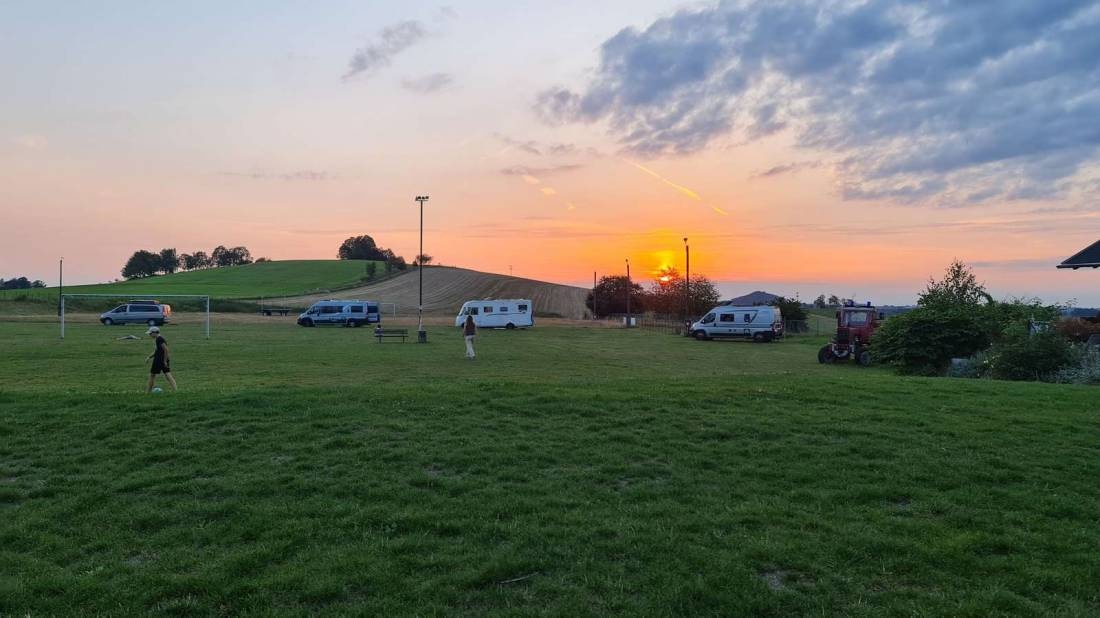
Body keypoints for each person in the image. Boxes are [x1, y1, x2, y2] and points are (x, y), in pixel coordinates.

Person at [145, 326, 178, 392]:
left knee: (152, 375)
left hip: (159, 360)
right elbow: (157, 351)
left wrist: (164, 361)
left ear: (155, 333)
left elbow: (166, 349)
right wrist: (149, 357)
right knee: (167, 374)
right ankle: (175, 390)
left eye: (150, 333)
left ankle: (148, 391)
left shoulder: (160, 339)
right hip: (162, 359)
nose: (149, 335)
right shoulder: (158, 339)